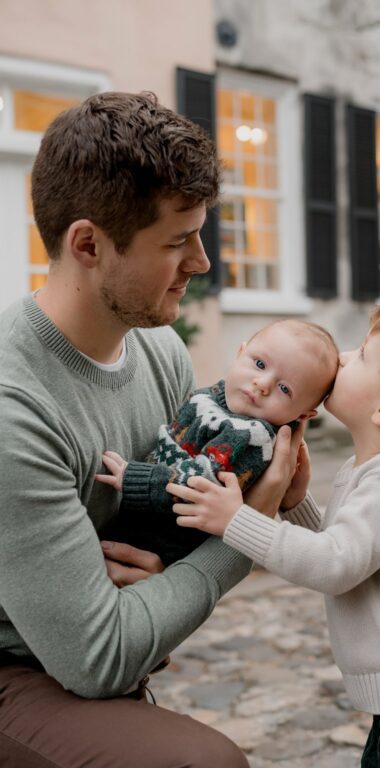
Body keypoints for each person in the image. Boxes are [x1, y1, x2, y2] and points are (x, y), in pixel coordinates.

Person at [0, 92, 301, 767]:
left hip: (77, 656)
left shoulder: (161, 352)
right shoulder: (12, 408)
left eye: (201, 233)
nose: (202, 261)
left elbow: (178, 525)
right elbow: (99, 654)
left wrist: (167, 571)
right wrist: (244, 536)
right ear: (88, 245)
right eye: (176, 240)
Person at [167, 298, 380, 767]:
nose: (344, 358)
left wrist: (235, 521)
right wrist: (296, 502)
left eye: (363, 354)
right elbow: (360, 559)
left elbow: (336, 565)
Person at [97, 319, 339, 564]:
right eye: (259, 364)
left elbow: (201, 483)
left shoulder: (253, 435)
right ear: (240, 352)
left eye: (285, 389)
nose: (263, 384)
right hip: (148, 511)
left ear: (302, 415)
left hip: (167, 536)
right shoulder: (216, 395)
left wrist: (135, 478)